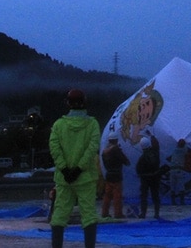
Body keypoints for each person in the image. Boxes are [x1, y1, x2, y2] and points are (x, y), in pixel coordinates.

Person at [49, 88, 100, 248]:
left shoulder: (58, 125)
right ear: (85, 102)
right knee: (89, 215)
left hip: (64, 180)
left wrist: (64, 170)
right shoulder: (92, 124)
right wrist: (79, 169)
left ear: (68, 103)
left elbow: (54, 148)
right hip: (86, 178)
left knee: (59, 215)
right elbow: (92, 148)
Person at [100, 136, 130, 218]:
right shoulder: (116, 150)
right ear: (116, 140)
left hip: (108, 175)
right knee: (117, 196)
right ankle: (118, 214)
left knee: (107, 196)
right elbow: (126, 162)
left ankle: (104, 213)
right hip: (117, 176)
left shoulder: (104, 152)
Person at [136, 136, 162, 219]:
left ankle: (143, 213)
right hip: (155, 178)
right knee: (155, 195)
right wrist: (152, 135)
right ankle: (156, 213)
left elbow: (138, 170)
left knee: (144, 196)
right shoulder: (156, 153)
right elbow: (156, 144)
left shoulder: (142, 158)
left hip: (145, 180)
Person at [168, 138, 187, 205]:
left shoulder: (174, 150)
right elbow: (186, 148)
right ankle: (182, 201)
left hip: (172, 170)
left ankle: (173, 201)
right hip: (179, 170)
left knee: (172, 186)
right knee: (181, 186)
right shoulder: (184, 150)